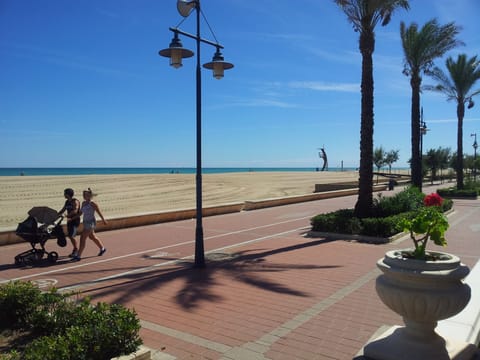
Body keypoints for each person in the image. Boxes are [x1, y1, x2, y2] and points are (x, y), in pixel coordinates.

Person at [73, 188, 107, 261]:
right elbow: (81, 213)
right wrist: (72, 218)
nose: (84, 196)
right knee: (92, 237)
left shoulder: (93, 203)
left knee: (82, 238)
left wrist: (103, 220)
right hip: (85, 222)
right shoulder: (83, 203)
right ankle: (102, 248)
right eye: (83, 195)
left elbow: (99, 212)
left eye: (85, 195)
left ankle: (78, 256)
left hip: (91, 222)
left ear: (89, 195)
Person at [58, 188, 80, 257]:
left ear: (68, 194)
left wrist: (67, 215)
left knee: (71, 236)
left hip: (75, 220)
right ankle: (75, 249)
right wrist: (56, 215)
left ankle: (76, 250)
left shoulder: (75, 201)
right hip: (69, 220)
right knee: (70, 236)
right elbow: (63, 209)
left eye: (64, 193)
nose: (64, 195)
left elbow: (75, 210)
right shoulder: (67, 202)